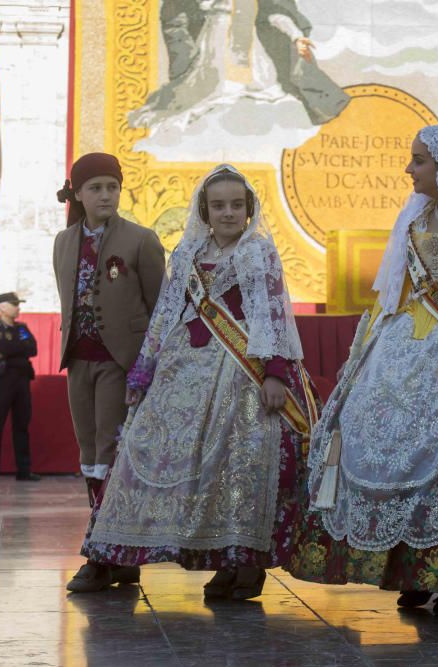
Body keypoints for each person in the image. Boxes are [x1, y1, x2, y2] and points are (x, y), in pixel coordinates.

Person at [288, 116, 438, 617]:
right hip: (401, 346)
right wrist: (362, 353)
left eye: (418, 160)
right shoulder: (413, 217)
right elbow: (392, 289)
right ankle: (409, 570)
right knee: (380, 452)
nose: (408, 169)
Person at [84, 165, 318, 600]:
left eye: (236, 205)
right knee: (158, 454)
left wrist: (274, 374)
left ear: (248, 209)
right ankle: (133, 552)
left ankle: (244, 563)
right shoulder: (188, 251)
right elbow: (167, 312)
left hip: (243, 367)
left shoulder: (258, 252)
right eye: (218, 206)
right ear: (204, 210)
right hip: (183, 364)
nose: (227, 213)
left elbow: (272, 314)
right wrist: (145, 369)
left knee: (237, 463)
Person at [53, 152, 166, 593]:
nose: (105, 195)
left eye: (112, 187)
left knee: (112, 452)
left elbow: (161, 308)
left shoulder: (141, 239)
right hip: (77, 360)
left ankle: (103, 553)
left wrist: (151, 365)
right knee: (89, 454)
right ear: (78, 194)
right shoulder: (63, 242)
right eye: (96, 187)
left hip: (122, 361)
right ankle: (117, 553)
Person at [0, 292, 40, 482]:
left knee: (22, 425)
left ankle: (24, 470)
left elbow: (32, 348)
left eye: (18, 304)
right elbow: (0, 350)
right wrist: (16, 349)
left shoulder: (22, 328)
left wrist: (11, 349)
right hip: (2, 380)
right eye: (14, 304)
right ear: (2, 307)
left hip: (22, 380)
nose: (18, 308)